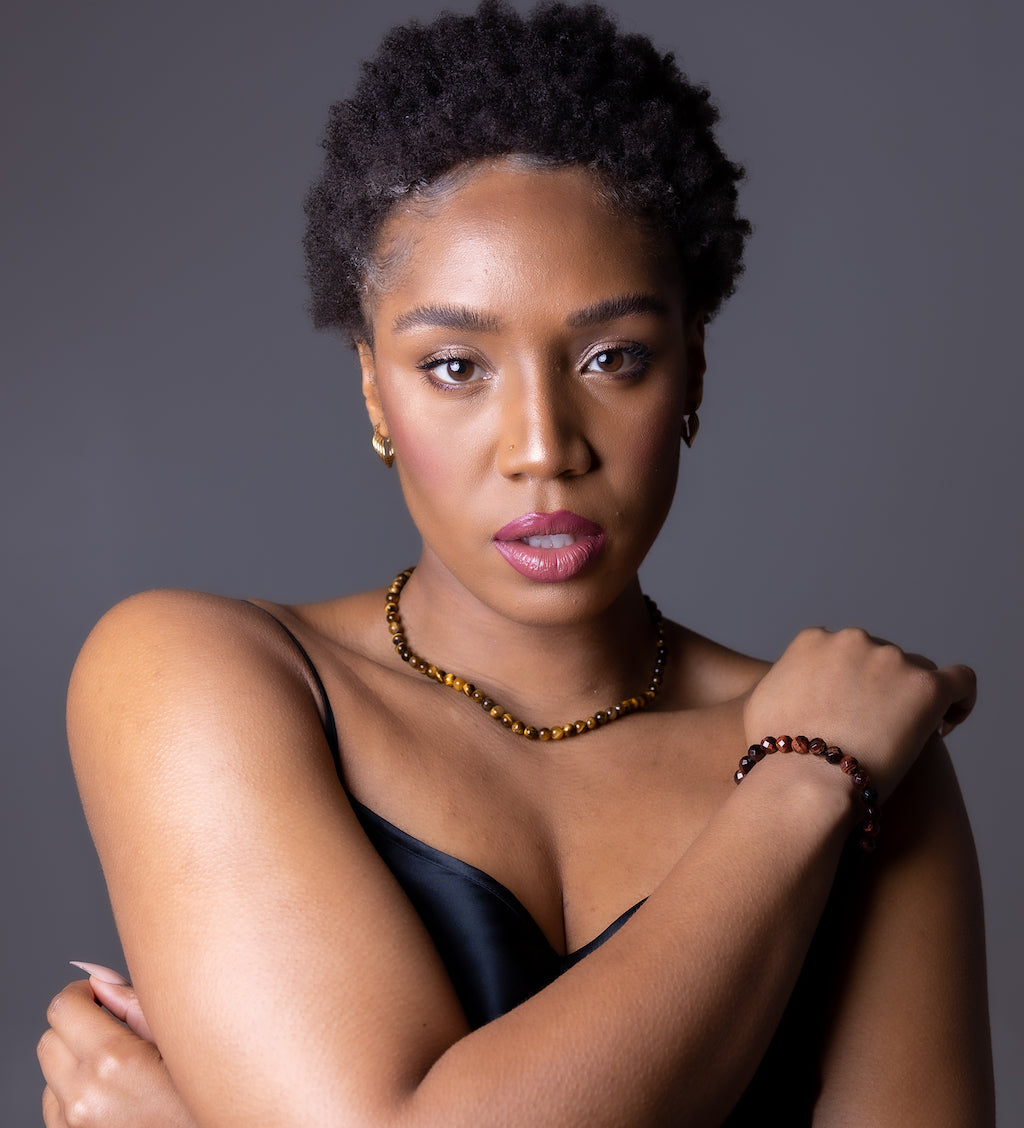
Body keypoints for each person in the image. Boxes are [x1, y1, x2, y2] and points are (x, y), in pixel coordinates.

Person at [36, 2, 993, 1124]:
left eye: (612, 357)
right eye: (455, 366)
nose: (543, 446)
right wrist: (798, 786)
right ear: (372, 387)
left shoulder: (868, 747)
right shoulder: (193, 673)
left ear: (691, 370)